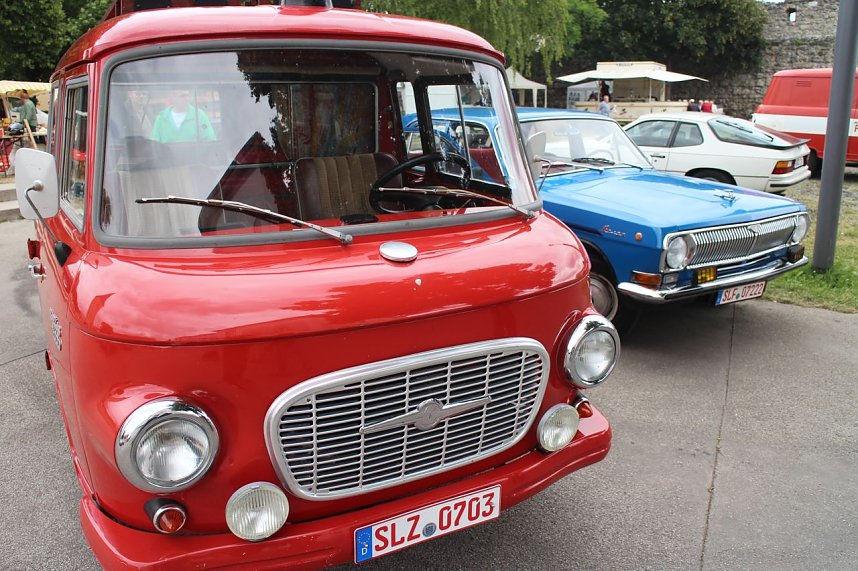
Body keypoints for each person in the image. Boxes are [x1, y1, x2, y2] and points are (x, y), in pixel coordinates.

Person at [149, 89, 215, 143]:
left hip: (195, 158)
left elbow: (210, 140)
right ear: (173, 97)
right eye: (182, 96)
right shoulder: (161, 118)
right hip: (168, 158)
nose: (187, 99)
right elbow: (154, 144)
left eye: (187, 95)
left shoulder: (200, 116)